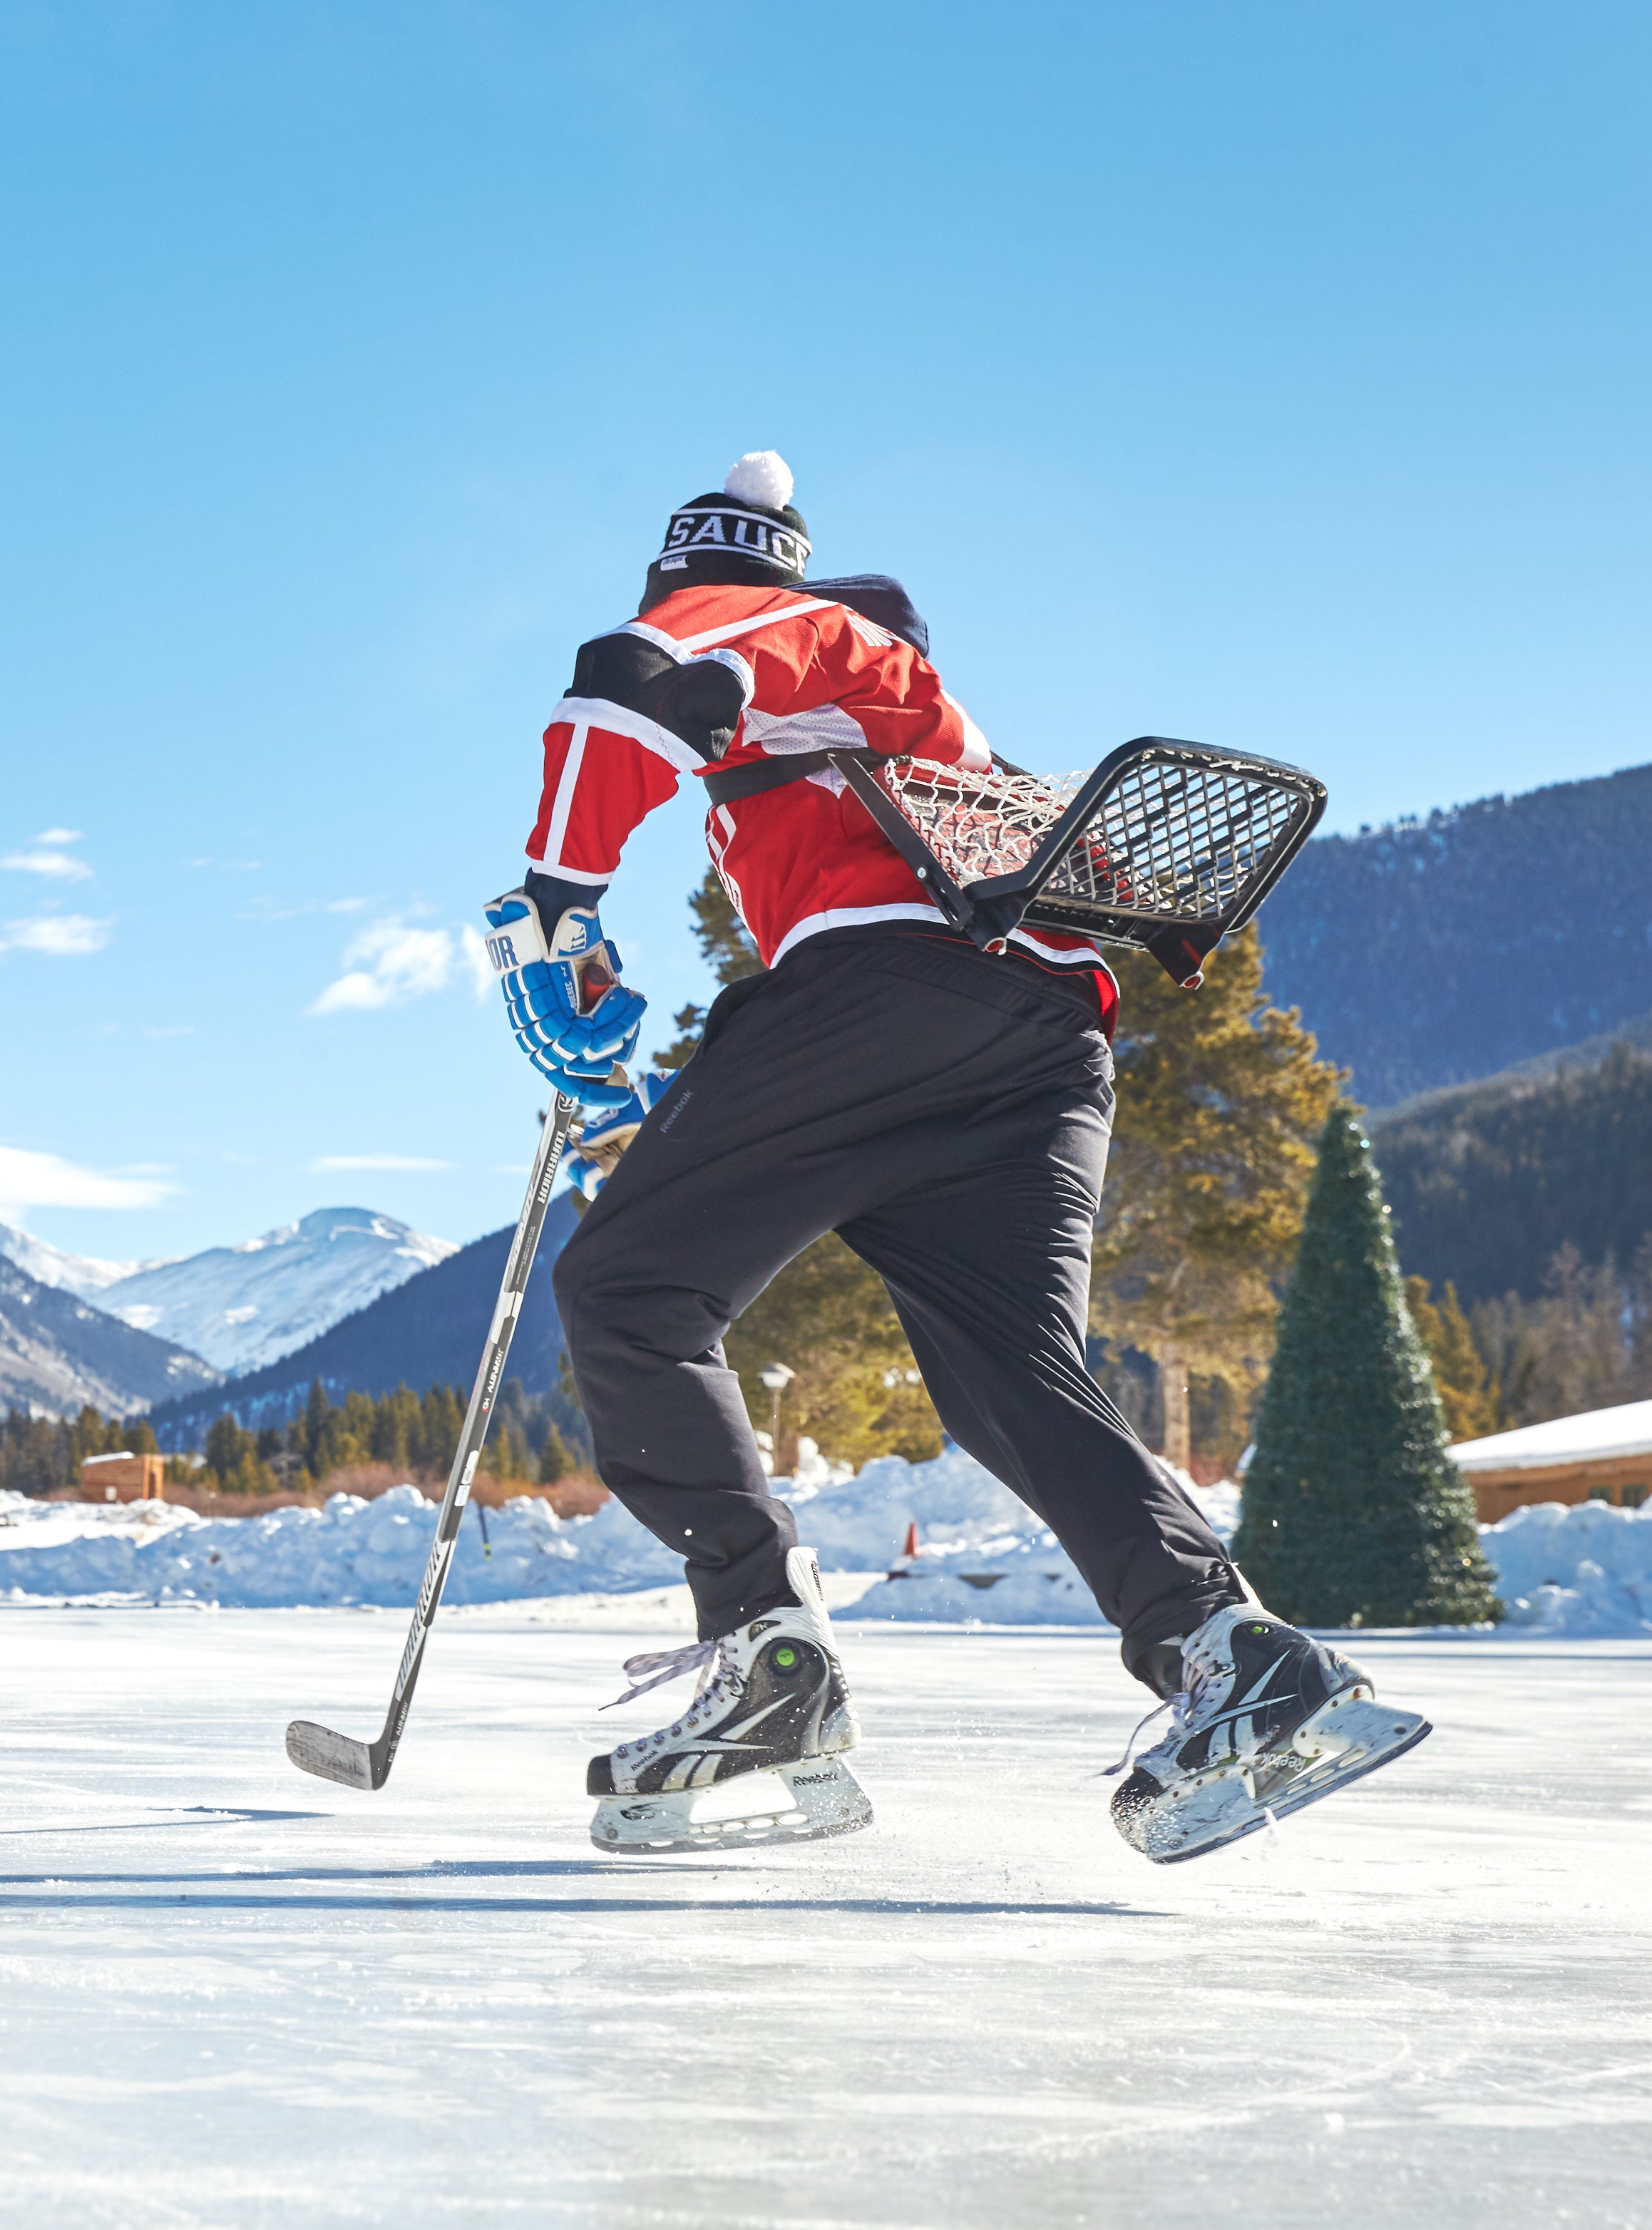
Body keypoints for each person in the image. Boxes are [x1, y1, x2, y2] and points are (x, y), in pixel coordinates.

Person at [481, 456, 1428, 1863]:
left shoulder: (801, 629)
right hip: (1037, 1052)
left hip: (893, 1001)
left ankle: (768, 1664)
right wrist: (632, 1128)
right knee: (1011, 1372)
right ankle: (1235, 1657)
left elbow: (628, 678)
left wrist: (554, 903)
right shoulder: (898, 767)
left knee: (626, 1297)